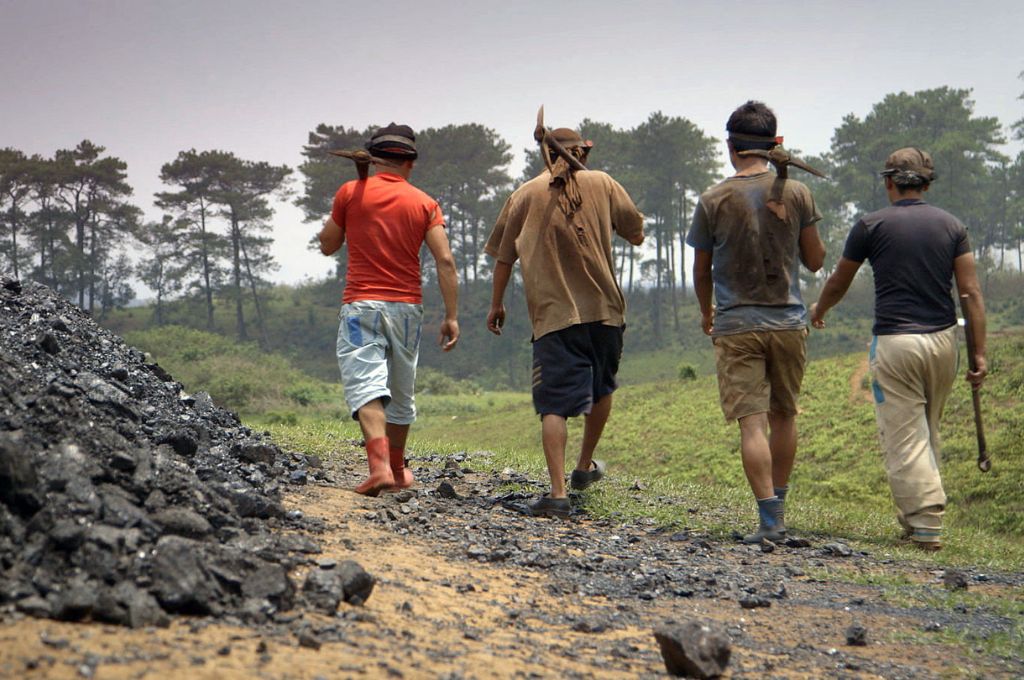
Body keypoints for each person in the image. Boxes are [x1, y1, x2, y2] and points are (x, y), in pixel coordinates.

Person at [810, 147, 987, 551]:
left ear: (889, 182)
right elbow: (970, 292)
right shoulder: (952, 226)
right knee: (926, 429)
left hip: (895, 342)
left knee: (904, 435)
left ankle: (926, 525)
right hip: (944, 341)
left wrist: (820, 308)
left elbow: (839, 279)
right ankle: (913, 518)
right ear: (926, 183)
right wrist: (979, 352)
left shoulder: (871, 226)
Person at [484, 126, 645, 518]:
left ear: (543, 154)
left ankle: (558, 494)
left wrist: (497, 305)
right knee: (602, 389)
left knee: (554, 406)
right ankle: (583, 467)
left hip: (555, 318)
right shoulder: (604, 183)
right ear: (581, 153)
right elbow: (637, 233)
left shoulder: (523, 195)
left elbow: (504, 257)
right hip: (606, 313)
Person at [687, 101, 825, 543]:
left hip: (737, 325)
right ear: (774, 145)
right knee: (785, 416)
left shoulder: (713, 199)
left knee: (753, 423)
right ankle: (779, 508)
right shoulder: (798, 193)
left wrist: (708, 314)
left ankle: (769, 521)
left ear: (731, 147)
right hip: (788, 322)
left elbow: (701, 270)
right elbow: (816, 261)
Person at [319, 123, 460, 496]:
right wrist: (451, 315)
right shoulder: (425, 203)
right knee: (400, 390)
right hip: (406, 309)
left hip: (360, 306)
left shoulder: (351, 193)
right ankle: (398, 469)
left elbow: (328, 245)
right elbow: (444, 260)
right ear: (410, 163)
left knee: (366, 383)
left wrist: (349, 213)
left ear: (375, 160)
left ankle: (379, 468)